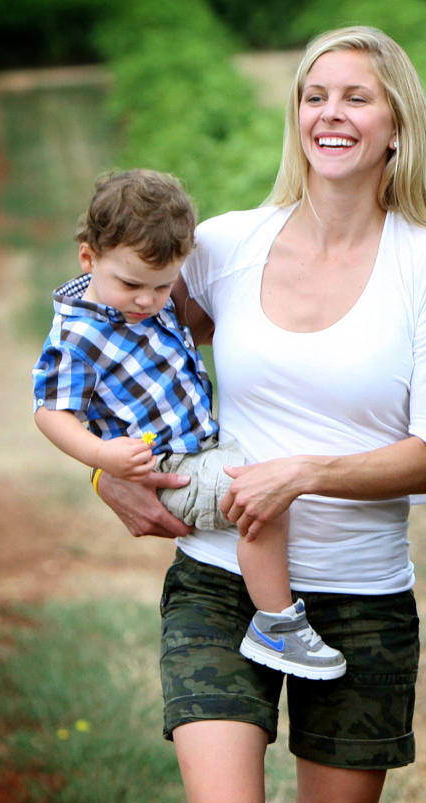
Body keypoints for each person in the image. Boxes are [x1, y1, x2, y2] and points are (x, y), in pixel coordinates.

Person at [93, 26, 426, 803]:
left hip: (359, 600)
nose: (331, 116)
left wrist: (305, 472)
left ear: (397, 125)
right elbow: (110, 336)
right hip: (220, 584)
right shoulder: (224, 244)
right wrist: (106, 472)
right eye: (315, 96)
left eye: (357, 98)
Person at [31, 168, 345, 681]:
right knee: (261, 499)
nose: (147, 300)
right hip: (168, 464)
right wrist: (102, 458)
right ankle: (276, 623)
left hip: (201, 445)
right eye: (131, 284)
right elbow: (50, 411)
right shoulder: (79, 333)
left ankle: (272, 612)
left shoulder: (143, 307)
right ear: (88, 258)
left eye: (162, 286)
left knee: (263, 484)